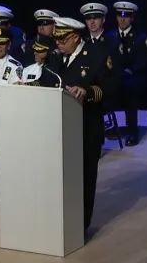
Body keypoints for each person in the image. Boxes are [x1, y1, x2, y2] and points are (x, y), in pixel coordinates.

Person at [29, 16, 116, 233]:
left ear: (76, 38)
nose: (57, 43)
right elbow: (48, 81)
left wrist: (86, 92)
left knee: (84, 179)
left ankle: (80, 226)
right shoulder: (56, 57)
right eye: (56, 38)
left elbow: (111, 88)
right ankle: (59, 221)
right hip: (58, 130)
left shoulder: (97, 55)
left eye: (62, 39)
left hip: (86, 129)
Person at [107, 1, 147, 146]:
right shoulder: (110, 36)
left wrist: (126, 72)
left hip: (133, 76)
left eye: (126, 16)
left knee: (129, 89)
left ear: (132, 18)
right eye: (119, 15)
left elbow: (141, 63)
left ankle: (132, 131)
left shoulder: (141, 37)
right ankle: (101, 128)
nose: (122, 19)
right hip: (114, 76)